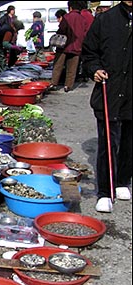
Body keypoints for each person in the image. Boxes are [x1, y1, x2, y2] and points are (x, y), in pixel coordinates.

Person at [81, 0, 132, 213]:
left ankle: (122, 180)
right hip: (108, 90)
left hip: (130, 92)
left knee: (129, 142)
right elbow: (89, 52)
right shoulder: (105, 19)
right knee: (108, 144)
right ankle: (104, 191)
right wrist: (94, 69)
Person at [49, 1, 90, 92]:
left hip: (64, 46)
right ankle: (68, 85)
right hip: (77, 46)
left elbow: (62, 29)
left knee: (58, 65)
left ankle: (54, 83)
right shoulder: (82, 19)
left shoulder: (67, 17)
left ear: (70, 7)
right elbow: (85, 33)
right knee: (72, 67)